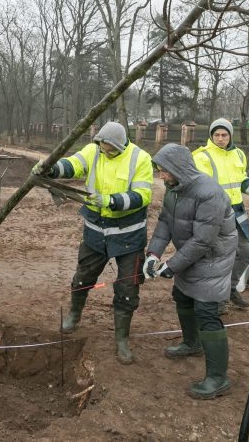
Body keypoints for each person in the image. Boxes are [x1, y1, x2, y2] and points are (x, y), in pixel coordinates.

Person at [32, 121, 153, 364]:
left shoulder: (141, 158)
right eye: (103, 147)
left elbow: (143, 195)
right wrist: (51, 169)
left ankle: (121, 339)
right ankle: (74, 315)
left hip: (129, 234)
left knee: (128, 288)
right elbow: (73, 165)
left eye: (110, 149)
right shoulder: (93, 150)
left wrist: (110, 201)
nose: (105, 152)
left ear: (120, 145)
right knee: (82, 277)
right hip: (96, 231)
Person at [144, 143, 237, 399]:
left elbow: (204, 241)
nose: (160, 176)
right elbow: (165, 222)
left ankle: (218, 378)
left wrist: (172, 266)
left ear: (178, 168)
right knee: (182, 296)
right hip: (190, 254)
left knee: (206, 311)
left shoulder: (210, 193)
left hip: (213, 258)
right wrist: (153, 254)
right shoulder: (174, 189)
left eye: (164, 171)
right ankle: (192, 343)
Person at [192, 118, 249, 310]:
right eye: (217, 135)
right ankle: (216, 300)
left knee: (246, 252)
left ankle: (230, 288)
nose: (220, 139)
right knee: (219, 257)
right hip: (214, 214)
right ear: (211, 136)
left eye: (224, 135)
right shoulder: (201, 156)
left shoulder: (238, 154)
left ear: (230, 136)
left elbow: (241, 179)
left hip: (237, 212)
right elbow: (199, 187)